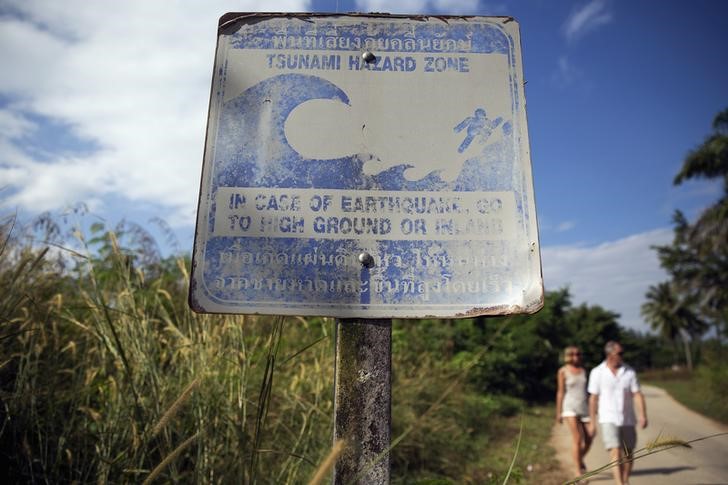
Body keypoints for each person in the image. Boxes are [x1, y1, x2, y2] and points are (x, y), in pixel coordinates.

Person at [587, 341, 648, 485]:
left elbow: (637, 394)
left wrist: (643, 415)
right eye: (619, 353)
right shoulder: (597, 372)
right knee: (615, 452)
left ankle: (625, 479)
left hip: (627, 419)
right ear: (609, 354)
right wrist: (592, 423)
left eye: (622, 353)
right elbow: (593, 399)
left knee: (628, 454)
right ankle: (619, 483)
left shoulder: (630, 372)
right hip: (608, 418)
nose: (622, 356)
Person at [556, 346, 592, 479]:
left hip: (583, 407)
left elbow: (587, 391)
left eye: (578, 354)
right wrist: (558, 412)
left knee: (589, 438)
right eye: (573, 354)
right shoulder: (563, 371)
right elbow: (560, 392)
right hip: (569, 407)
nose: (576, 356)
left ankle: (579, 459)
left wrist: (593, 408)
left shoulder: (583, 371)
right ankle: (578, 473)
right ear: (568, 356)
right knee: (577, 438)